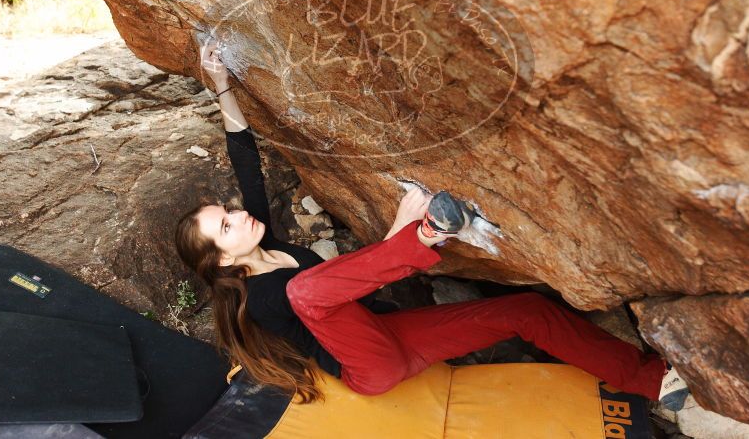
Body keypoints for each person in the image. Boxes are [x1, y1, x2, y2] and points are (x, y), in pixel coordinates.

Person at [174, 43, 692, 411]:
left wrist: (220, 82)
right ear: (223, 259)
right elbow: (343, 290)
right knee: (308, 290)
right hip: (367, 369)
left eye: (230, 209)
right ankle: (424, 236)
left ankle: (652, 381)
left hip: (393, 334)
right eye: (226, 223)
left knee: (526, 310)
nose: (239, 214)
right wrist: (402, 229)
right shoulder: (258, 298)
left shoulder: (264, 237)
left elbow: (245, 161)